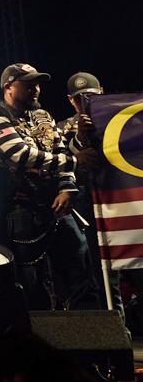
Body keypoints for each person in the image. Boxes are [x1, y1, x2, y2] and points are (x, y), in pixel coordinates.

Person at [0, 64, 98, 310]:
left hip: (56, 204)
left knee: (80, 268)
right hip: (20, 208)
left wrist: (67, 188)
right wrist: (74, 161)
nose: (35, 89)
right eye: (28, 84)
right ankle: (36, 333)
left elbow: (60, 149)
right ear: (8, 87)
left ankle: (89, 331)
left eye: (37, 84)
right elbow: (19, 155)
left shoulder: (43, 115)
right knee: (29, 280)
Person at [60, 71, 120, 314]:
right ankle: (111, 324)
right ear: (70, 100)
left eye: (90, 96)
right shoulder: (62, 128)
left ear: (101, 93)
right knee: (95, 267)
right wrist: (79, 137)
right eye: (79, 98)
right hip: (85, 201)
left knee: (128, 263)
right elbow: (60, 162)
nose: (85, 102)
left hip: (119, 196)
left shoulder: (119, 120)